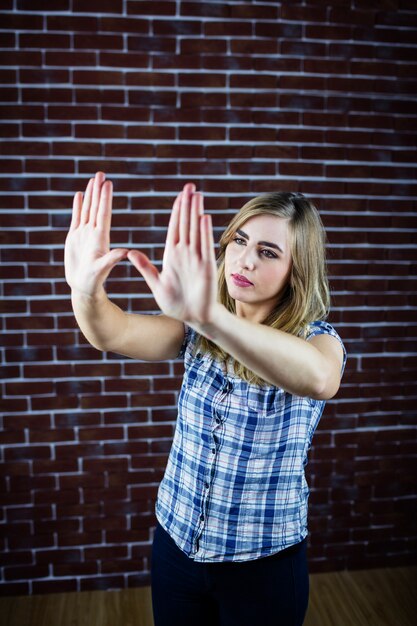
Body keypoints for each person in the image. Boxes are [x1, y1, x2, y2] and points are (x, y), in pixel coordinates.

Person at [65, 171, 347, 626]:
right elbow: (110, 331)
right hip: (177, 548)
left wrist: (209, 315)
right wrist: (84, 290)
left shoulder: (318, 339)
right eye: (239, 240)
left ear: (299, 271)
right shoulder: (195, 331)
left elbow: (319, 379)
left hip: (264, 565)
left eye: (268, 251)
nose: (245, 259)